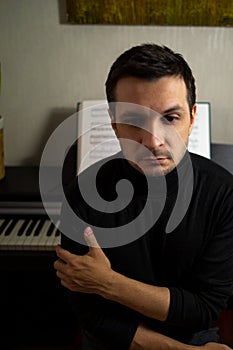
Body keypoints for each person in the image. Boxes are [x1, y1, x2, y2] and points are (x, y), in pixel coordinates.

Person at [54, 44, 233, 350]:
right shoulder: (84, 193)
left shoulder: (224, 194)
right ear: (113, 124)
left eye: (170, 118)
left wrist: (108, 284)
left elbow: (203, 309)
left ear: (192, 118)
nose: (152, 140)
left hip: (192, 336)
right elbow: (94, 317)